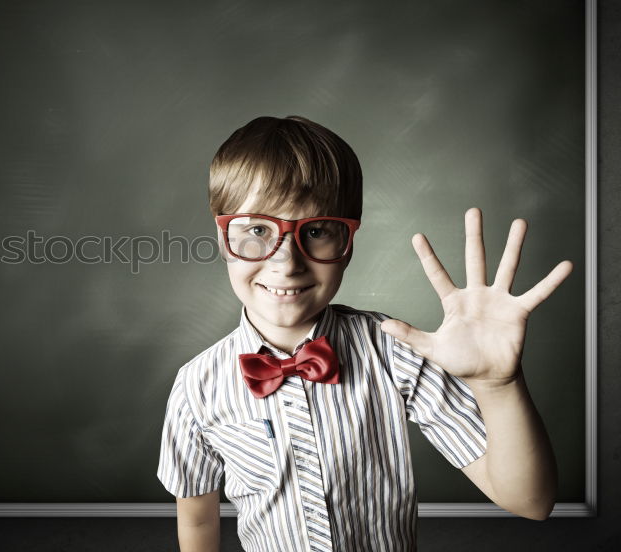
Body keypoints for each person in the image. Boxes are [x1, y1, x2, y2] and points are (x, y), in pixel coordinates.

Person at [156, 115, 572, 551]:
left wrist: (498, 384)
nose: (287, 262)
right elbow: (199, 523)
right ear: (223, 238)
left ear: (348, 240)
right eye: (258, 230)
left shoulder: (394, 349)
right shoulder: (196, 386)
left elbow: (530, 501)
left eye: (316, 231)